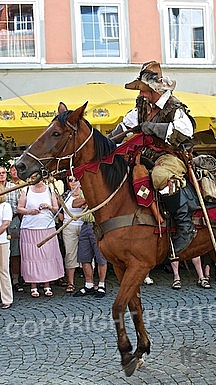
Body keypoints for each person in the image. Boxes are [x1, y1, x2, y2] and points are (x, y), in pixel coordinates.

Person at [109, 60, 200, 256]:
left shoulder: (174, 107)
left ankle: (185, 226)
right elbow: (124, 128)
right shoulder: (142, 106)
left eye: (143, 89)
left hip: (171, 156)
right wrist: (106, 143)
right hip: (147, 155)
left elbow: (186, 132)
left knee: (159, 176)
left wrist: (152, 128)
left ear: (154, 89)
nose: (140, 94)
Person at [17, 179, 64, 298]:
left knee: (47, 255)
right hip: (30, 228)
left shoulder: (50, 190)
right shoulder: (26, 190)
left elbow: (56, 209)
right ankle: (33, 285)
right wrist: (29, 211)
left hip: (47, 227)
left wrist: (48, 206)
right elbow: (19, 208)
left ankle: (47, 284)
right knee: (32, 256)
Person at [0, 165, 23, 292]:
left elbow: (20, 205)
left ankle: (15, 280)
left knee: (15, 251)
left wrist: (20, 221)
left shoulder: (14, 187)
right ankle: (0, 281)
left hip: (13, 221)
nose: (2, 175)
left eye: (4, 173)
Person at [73, 207, 108, 298]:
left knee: (101, 257)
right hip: (85, 225)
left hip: (98, 225)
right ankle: (89, 285)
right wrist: (86, 200)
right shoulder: (82, 193)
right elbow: (74, 204)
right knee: (84, 258)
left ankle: (101, 285)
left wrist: (87, 202)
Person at [60, 176, 85, 293]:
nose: (73, 182)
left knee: (87, 253)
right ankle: (70, 283)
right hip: (69, 226)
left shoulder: (86, 193)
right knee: (70, 253)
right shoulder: (65, 195)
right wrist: (64, 222)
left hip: (84, 225)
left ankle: (88, 282)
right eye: (70, 180)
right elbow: (60, 212)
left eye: (75, 179)